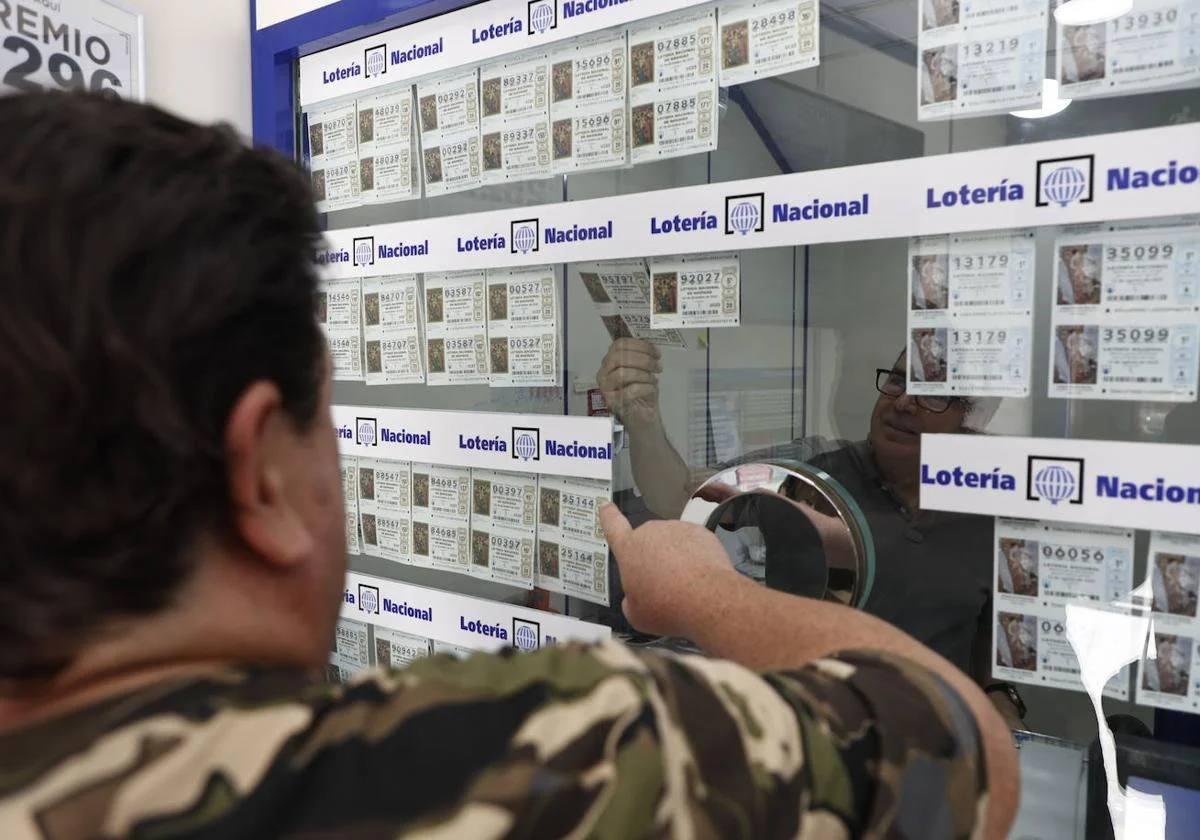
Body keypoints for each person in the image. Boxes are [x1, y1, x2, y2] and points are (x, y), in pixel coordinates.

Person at [0, 92, 1015, 838]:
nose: (909, 397)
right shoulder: (485, 764)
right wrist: (708, 599)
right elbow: (962, 752)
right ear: (264, 471)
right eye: (331, 417)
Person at [597, 339, 1025, 726]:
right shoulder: (809, 467)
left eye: (934, 395)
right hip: (798, 726)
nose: (905, 402)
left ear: (972, 421)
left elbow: (990, 638)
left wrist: (999, 695)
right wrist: (643, 420)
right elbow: (679, 497)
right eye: (898, 380)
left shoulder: (994, 506)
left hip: (927, 738)